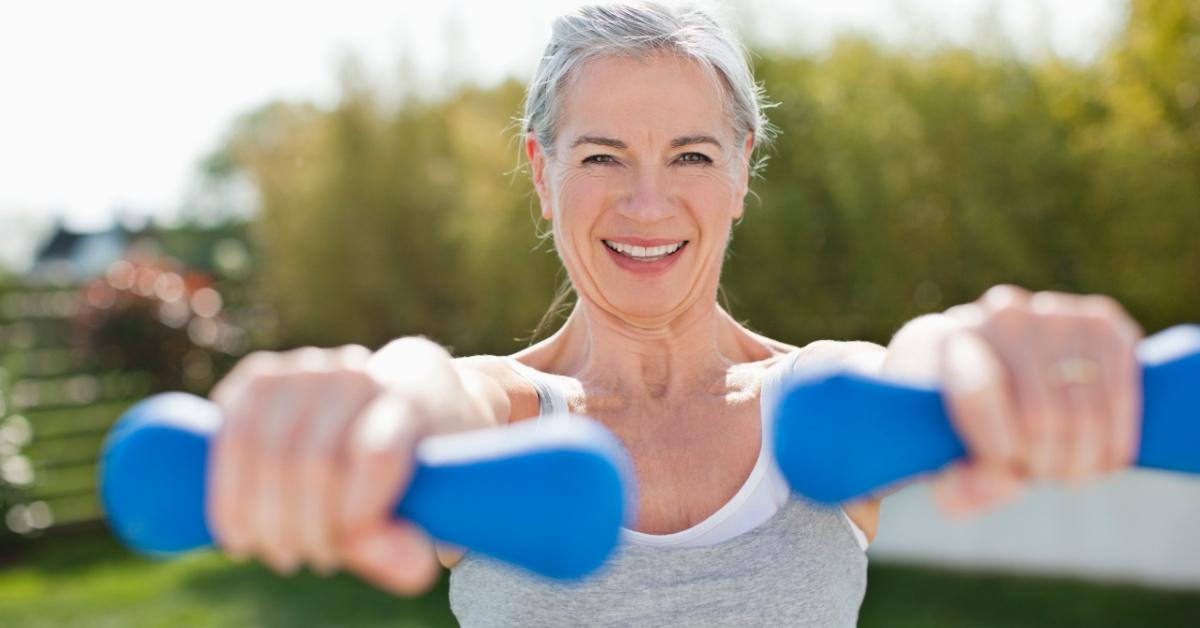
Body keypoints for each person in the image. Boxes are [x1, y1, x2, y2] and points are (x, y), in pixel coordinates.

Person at [205, 2, 1144, 625]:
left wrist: (981, 342)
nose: (648, 205)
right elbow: (429, 390)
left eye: (692, 156)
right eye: (603, 156)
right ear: (543, 174)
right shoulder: (505, 415)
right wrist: (376, 393)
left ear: (741, 174)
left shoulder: (814, 400)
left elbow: (917, 366)